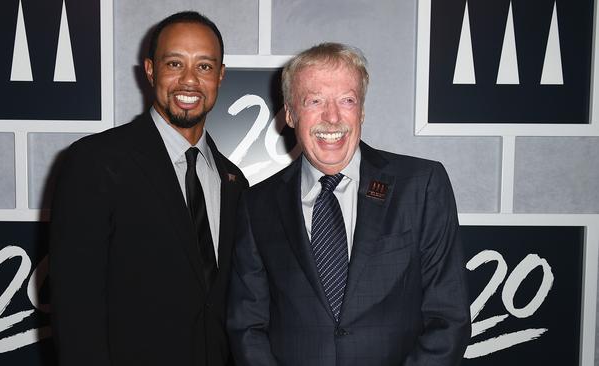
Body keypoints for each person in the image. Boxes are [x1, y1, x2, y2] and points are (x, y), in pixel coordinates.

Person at [227, 43, 470, 366]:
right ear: (290, 113)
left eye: (347, 100)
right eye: (314, 101)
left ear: (362, 111)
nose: (332, 117)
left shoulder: (421, 186)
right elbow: (248, 325)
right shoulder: (257, 204)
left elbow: (448, 317)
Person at [49, 11, 247, 366]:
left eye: (204, 66)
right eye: (175, 63)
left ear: (220, 76)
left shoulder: (234, 181)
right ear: (151, 70)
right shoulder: (96, 163)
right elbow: (75, 307)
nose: (189, 80)